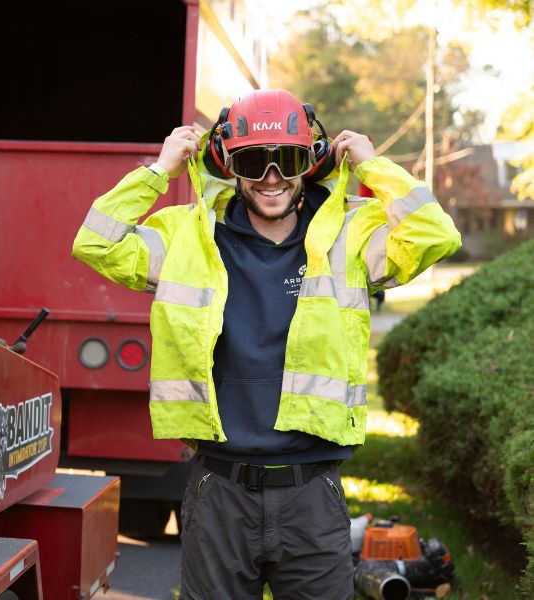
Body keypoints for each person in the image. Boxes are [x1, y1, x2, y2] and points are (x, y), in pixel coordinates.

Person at [72, 89, 461, 599]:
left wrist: (376, 166)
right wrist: (158, 172)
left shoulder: (353, 233)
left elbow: (435, 234)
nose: (271, 177)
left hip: (312, 494)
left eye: (289, 160)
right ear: (228, 164)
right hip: (219, 491)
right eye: (254, 161)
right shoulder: (187, 234)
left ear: (311, 162)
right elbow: (95, 243)